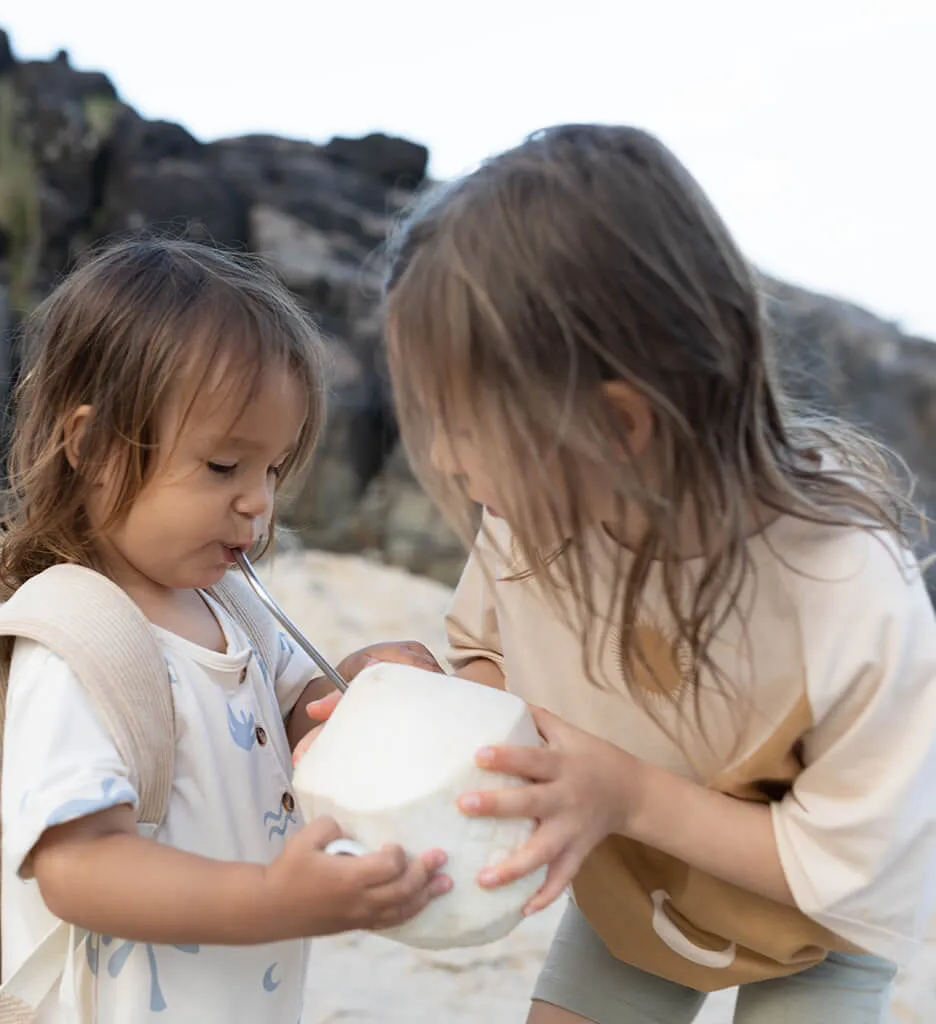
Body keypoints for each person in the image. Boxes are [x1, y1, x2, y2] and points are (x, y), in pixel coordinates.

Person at [373, 124, 936, 1022]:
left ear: (620, 426)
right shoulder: (532, 522)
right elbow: (492, 667)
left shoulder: (847, 591)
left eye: (465, 425)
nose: (441, 456)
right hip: (637, 883)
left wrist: (627, 792)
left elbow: (845, 866)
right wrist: (436, 718)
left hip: (817, 922)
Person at [0, 237, 450, 1023]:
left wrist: (368, 681)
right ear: (92, 446)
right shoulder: (76, 636)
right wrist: (271, 898)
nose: (260, 501)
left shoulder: (237, 607)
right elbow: (79, 866)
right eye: (226, 467)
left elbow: (300, 720)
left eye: (274, 468)